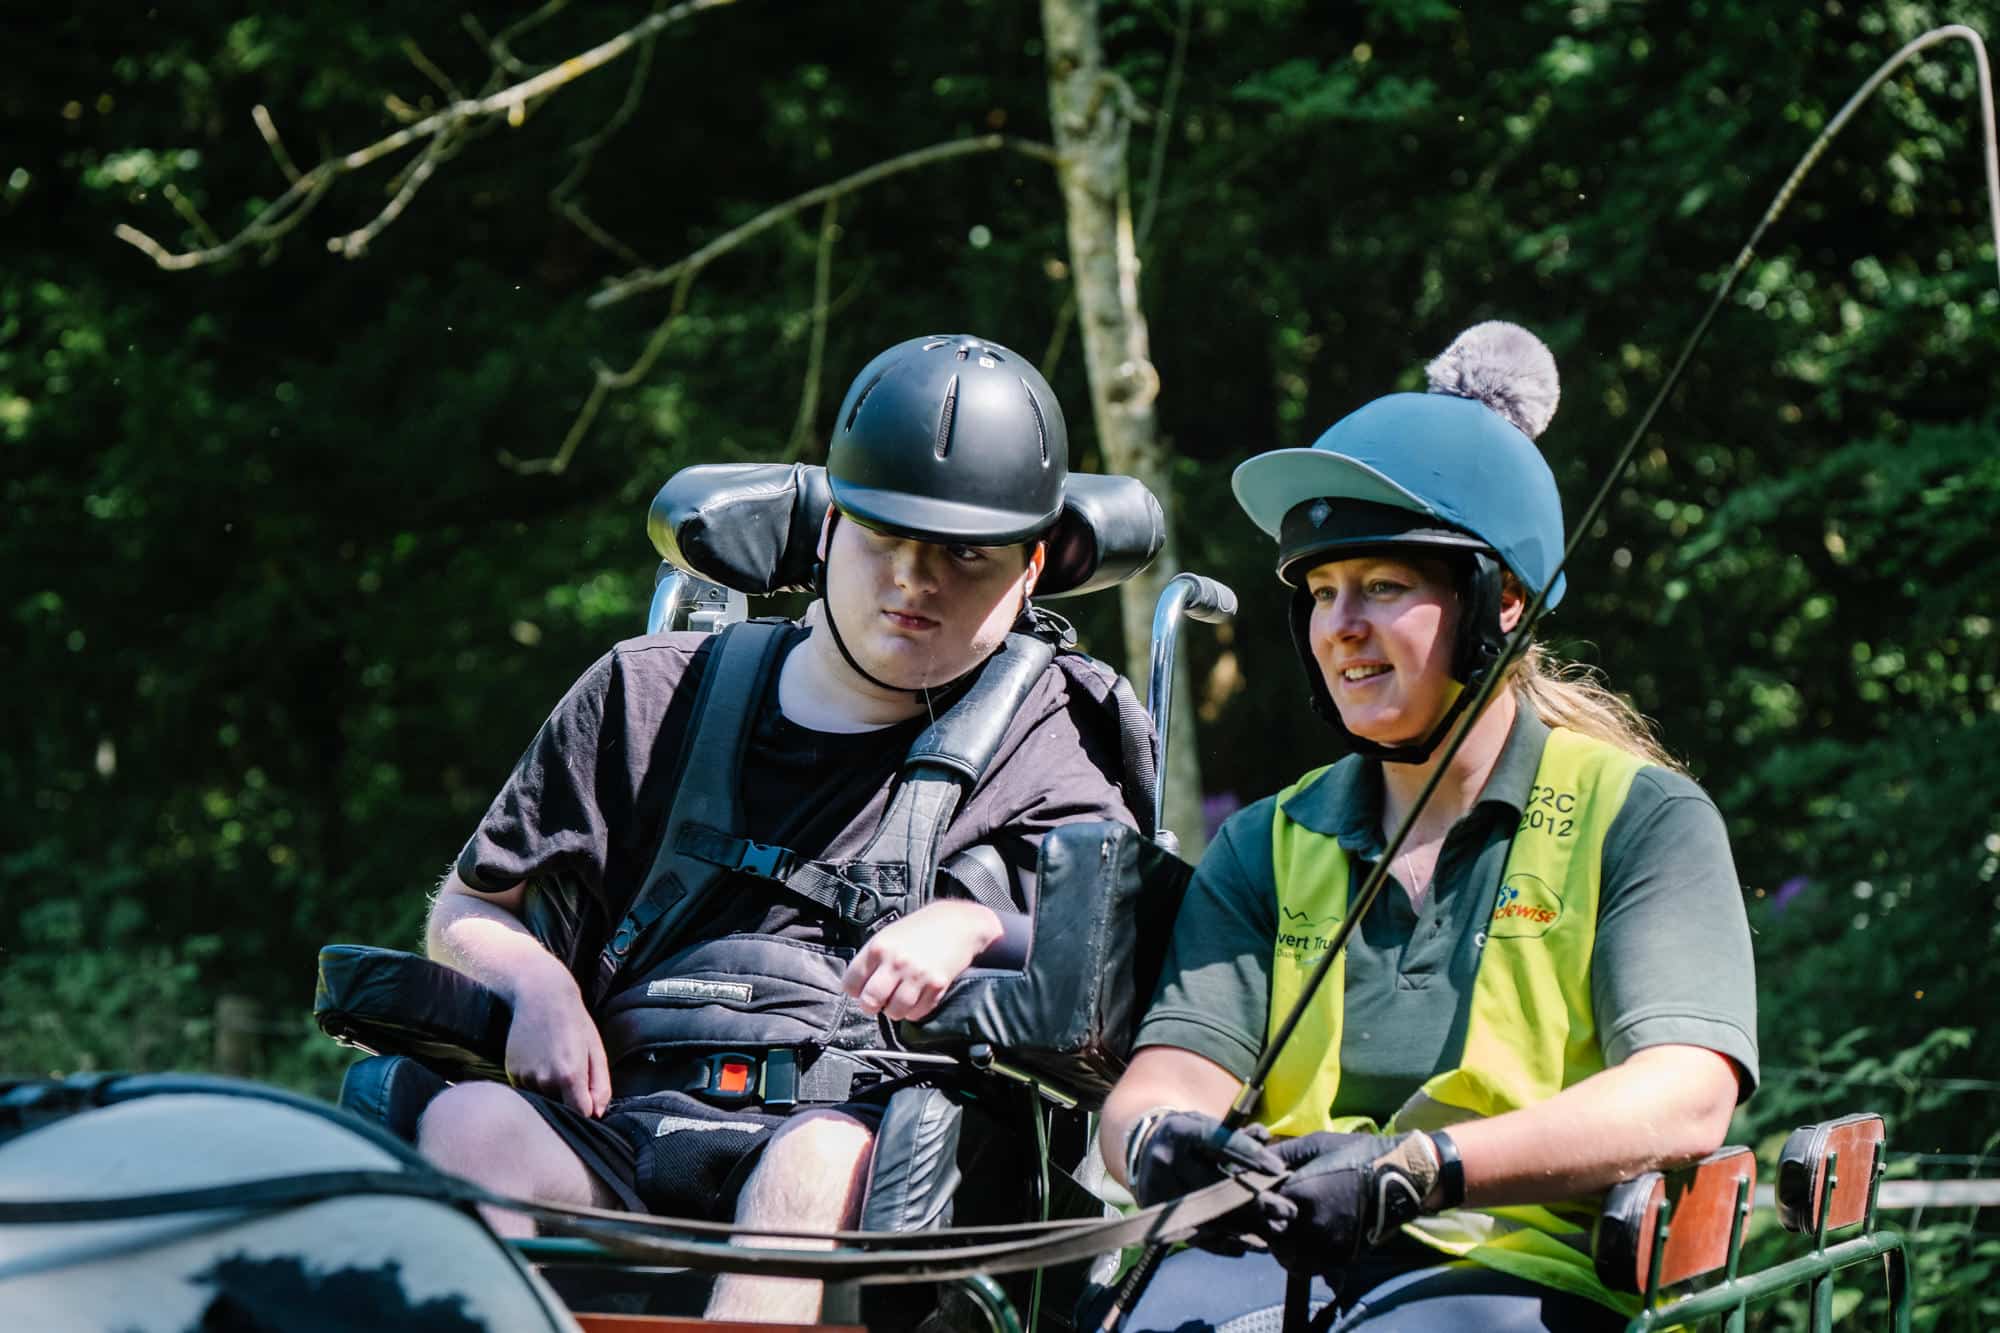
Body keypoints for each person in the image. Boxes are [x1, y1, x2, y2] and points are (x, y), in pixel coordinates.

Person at [416, 333, 1141, 1323]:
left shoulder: (1061, 726)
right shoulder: (643, 690)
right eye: (884, 536)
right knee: (466, 1122)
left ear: (1033, 565)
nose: (913, 580)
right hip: (622, 1119)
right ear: (829, 522)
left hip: (877, 1147)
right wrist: (534, 982)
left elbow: (1110, 962)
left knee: (814, 1162)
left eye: (964, 555)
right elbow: (469, 903)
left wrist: (971, 925)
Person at [1096, 322, 1758, 1331]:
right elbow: (1172, 1071)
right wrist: (1156, 1138)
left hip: (1525, 1273)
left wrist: (1417, 1171)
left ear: (1496, 602)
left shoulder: (1641, 817)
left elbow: (1683, 1097)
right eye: (1320, 592)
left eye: (1383, 586)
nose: (1340, 626)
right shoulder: (1264, 842)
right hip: (1290, 1257)